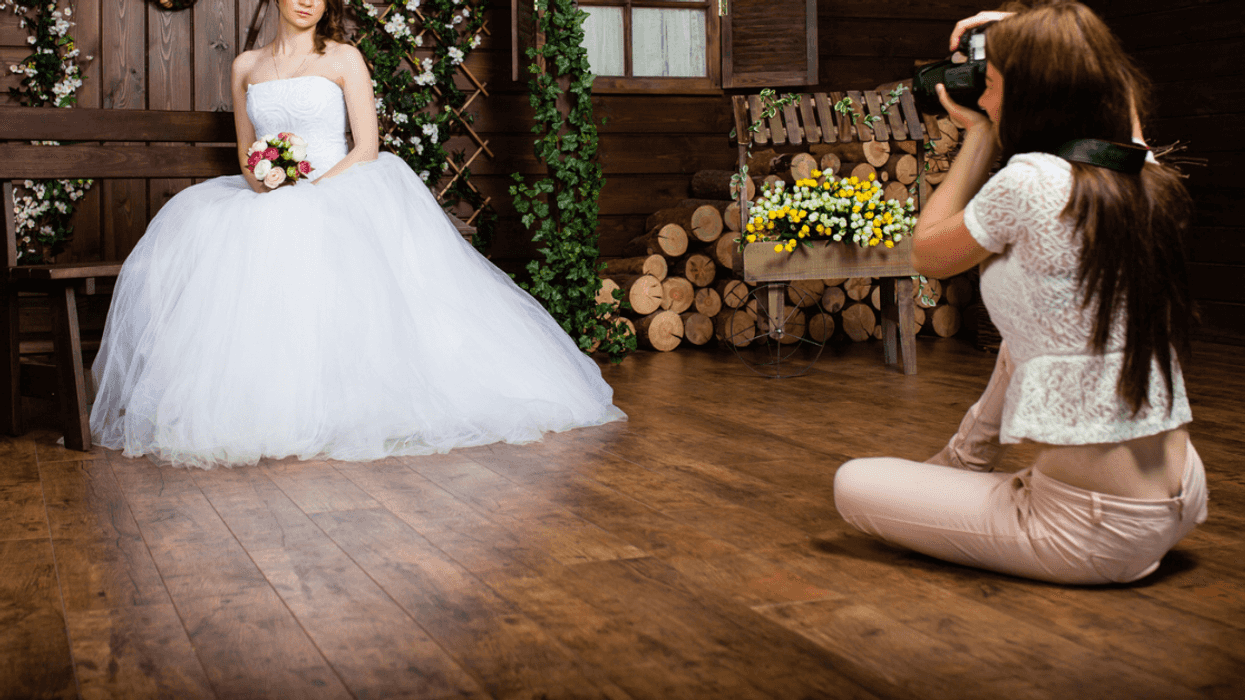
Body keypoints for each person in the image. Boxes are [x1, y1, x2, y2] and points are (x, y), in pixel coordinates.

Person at [88, 0, 625, 469]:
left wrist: (309, 190)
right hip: (267, 197)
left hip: (339, 187)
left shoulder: (344, 58)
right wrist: (266, 181)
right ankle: (266, 407)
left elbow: (366, 147)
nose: (308, 2)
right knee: (232, 255)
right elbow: (247, 153)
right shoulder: (245, 66)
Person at [832, 1, 1207, 585]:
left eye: (991, 84)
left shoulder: (1031, 180)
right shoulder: (1140, 171)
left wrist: (979, 137)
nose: (981, 97)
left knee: (852, 483)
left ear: (1034, 91)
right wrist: (1039, 34)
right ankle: (962, 463)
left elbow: (925, 253)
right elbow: (1115, 89)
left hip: (1096, 529)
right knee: (1029, 333)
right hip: (1182, 494)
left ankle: (971, 480)